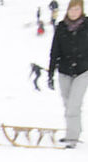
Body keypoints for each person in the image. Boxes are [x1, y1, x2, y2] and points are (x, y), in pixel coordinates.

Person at [48, 0, 88, 148]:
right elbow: (54, 51)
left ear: (81, 10)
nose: (74, 12)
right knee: (67, 104)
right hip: (64, 71)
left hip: (83, 72)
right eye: (72, 9)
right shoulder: (61, 27)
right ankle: (75, 130)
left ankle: (72, 137)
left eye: (77, 9)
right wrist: (50, 73)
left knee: (73, 105)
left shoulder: (87, 26)